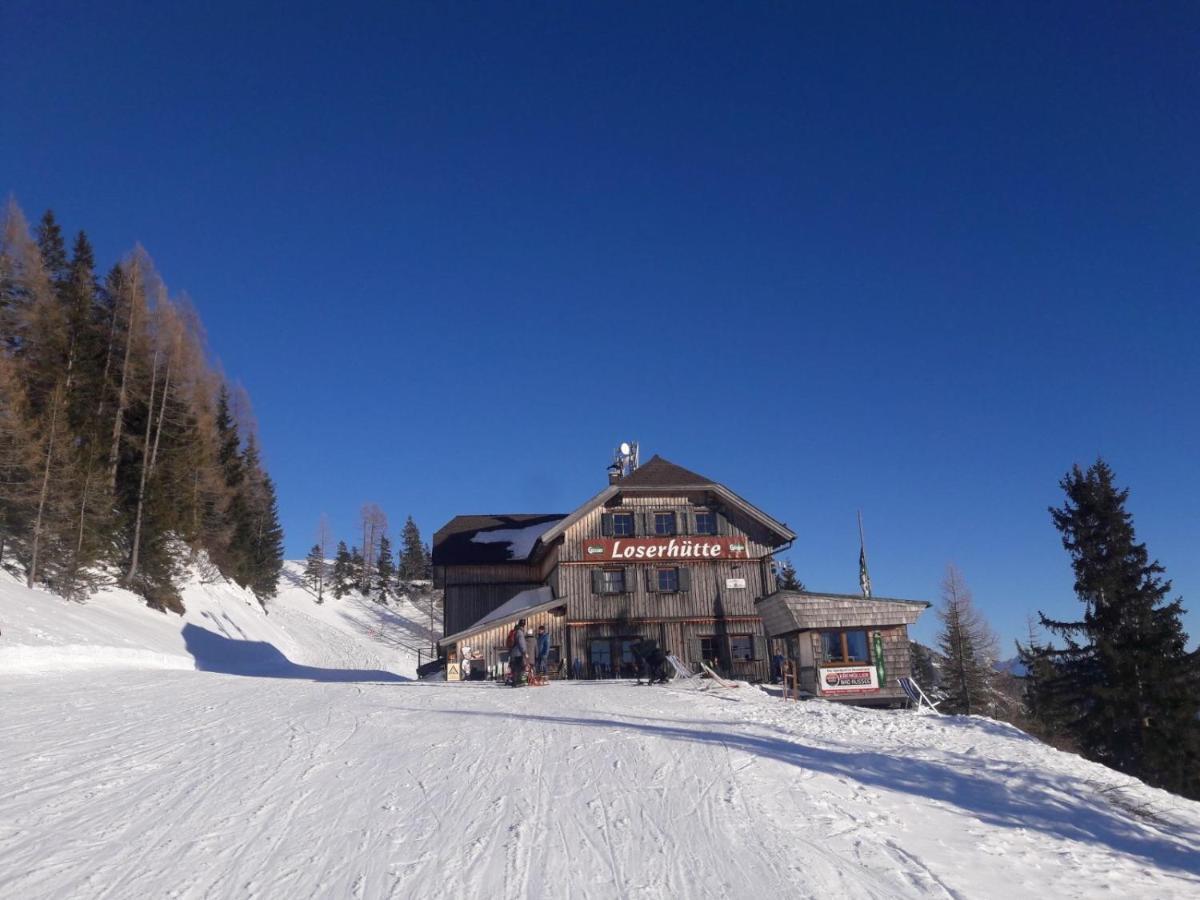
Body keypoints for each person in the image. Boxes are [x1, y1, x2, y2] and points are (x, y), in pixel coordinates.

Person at [507, 618, 527, 686]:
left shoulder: (514, 631)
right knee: (519, 668)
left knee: (514, 668)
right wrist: (524, 651)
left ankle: (514, 682)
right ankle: (518, 682)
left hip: (513, 653)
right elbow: (522, 643)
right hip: (518, 653)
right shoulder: (520, 632)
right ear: (523, 625)